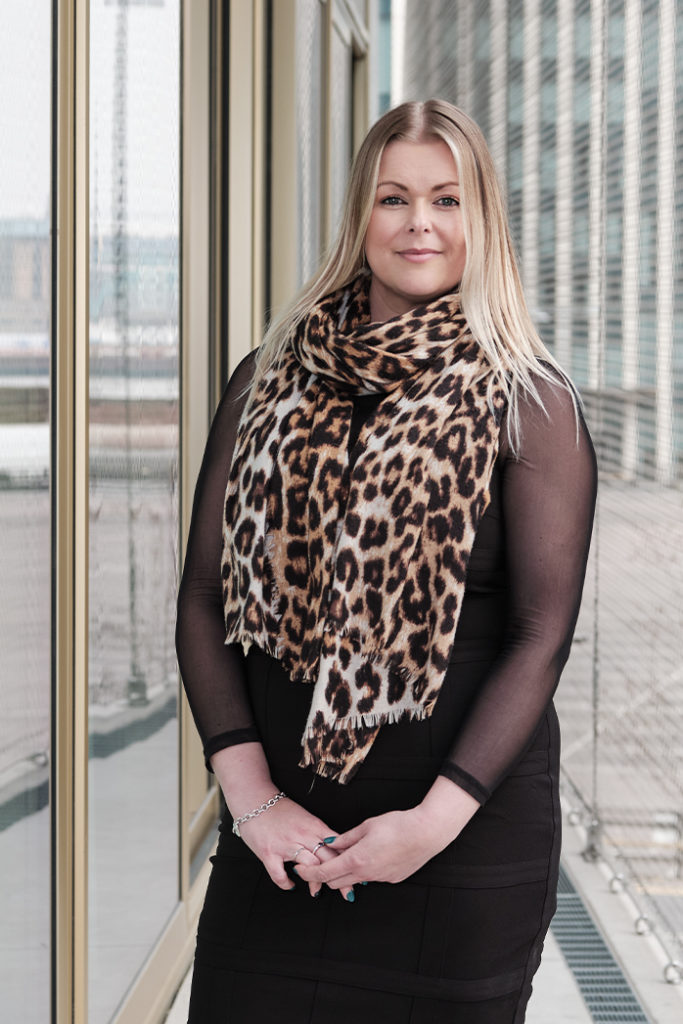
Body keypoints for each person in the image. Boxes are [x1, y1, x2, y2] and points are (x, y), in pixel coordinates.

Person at [176, 99, 597, 1023]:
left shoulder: (529, 400)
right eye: (393, 198)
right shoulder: (267, 377)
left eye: (446, 200)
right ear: (358, 215)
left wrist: (429, 826)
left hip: (460, 855)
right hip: (278, 849)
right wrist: (252, 805)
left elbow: (539, 635)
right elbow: (204, 599)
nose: (418, 225)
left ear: (477, 219)